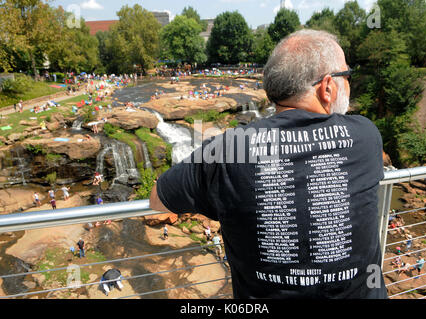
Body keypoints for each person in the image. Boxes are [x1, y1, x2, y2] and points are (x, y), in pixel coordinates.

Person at [148, 29, 387, 299]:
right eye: (348, 76)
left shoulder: (228, 149)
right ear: (328, 87)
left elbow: (158, 199)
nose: (350, 84)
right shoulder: (366, 136)